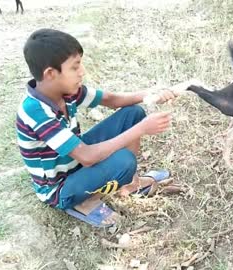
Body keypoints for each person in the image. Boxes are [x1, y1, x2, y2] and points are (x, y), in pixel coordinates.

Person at [16, 28, 177, 227]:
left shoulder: (66, 92)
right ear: (50, 73)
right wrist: (141, 129)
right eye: (75, 67)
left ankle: (129, 183)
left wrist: (151, 94)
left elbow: (112, 100)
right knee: (124, 162)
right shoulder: (34, 111)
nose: (82, 71)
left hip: (74, 163)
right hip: (60, 188)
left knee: (132, 112)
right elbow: (87, 156)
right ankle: (83, 201)